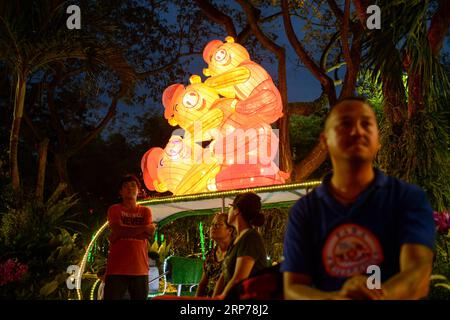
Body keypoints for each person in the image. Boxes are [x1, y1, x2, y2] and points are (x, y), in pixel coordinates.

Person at [282, 97, 436, 300]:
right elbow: (292, 288)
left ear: (378, 140)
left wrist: (378, 296)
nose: (357, 131)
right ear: (324, 141)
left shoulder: (408, 198)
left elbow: (418, 276)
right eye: (345, 124)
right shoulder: (304, 211)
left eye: (366, 124)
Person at [104, 174, 155, 300]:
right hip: (116, 269)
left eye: (133, 186)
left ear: (138, 190)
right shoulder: (114, 209)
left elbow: (146, 235)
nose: (130, 189)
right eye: (125, 186)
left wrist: (120, 234)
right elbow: (119, 229)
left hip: (140, 269)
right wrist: (144, 228)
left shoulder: (145, 211)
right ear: (120, 192)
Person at [213, 192, 267, 298]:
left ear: (236, 210)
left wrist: (222, 296)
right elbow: (223, 276)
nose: (229, 211)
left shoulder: (250, 237)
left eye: (230, 207)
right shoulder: (236, 240)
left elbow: (239, 278)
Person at [196, 213, 235, 297]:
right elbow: (202, 284)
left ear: (230, 230)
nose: (213, 228)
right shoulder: (211, 254)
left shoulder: (236, 251)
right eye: (212, 225)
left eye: (218, 225)